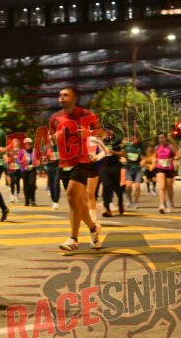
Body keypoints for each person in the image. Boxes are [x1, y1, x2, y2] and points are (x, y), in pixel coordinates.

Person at [49, 86, 102, 252]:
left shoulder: (86, 114)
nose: (61, 98)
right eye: (60, 95)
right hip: (64, 162)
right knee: (77, 202)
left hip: (82, 160)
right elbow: (51, 139)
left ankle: (73, 239)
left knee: (72, 196)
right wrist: (53, 139)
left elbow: (100, 132)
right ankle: (93, 228)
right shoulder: (54, 118)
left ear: (74, 98)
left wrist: (88, 133)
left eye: (65, 95)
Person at [99, 130, 125, 217]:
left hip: (115, 167)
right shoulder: (101, 141)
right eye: (106, 131)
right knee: (105, 186)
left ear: (113, 132)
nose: (107, 133)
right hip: (104, 167)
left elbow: (123, 153)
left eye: (109, 131)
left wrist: (113, 152)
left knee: (117, 187)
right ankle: (107, 209)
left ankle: (120, 202)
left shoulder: (117, 141)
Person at [153, 133, 178, 213]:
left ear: (166, 138)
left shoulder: (171, 147)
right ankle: (161, 205)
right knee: (162, 186)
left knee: (169, 187)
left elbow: (178, 155)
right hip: (160, 168)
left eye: (163, 138)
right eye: (160, 138)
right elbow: (155, 156)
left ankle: (170, 202)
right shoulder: (157, 147)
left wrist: (173, 158)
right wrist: (154, 162)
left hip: (169, 168)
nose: (162, 140)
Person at [123, 134, 145, 209]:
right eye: (133, 138)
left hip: (138, 168)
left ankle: (136, 203)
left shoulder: (141, 146)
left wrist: (143, 161)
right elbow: (122, 154)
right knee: (128, 186)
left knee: (137, 186)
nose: (134, 139)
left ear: (138, 138)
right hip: (128, 168)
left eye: (136, 138)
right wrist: (123, 159)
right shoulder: (127, 146)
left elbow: (144, 157)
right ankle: (129, 200)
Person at [20, 137, 37, 206]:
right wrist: (25, 166)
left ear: (31, 144)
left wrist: (33, 165)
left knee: (32, 184)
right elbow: (18, 160)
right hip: (24, 170)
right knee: (26, 185)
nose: (27, 145)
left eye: (29, 144)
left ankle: (32, 199)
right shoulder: (21, 152)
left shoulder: (34, 151)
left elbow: (38, 160)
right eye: (26, 144)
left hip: (32, 170)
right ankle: (27, 200)